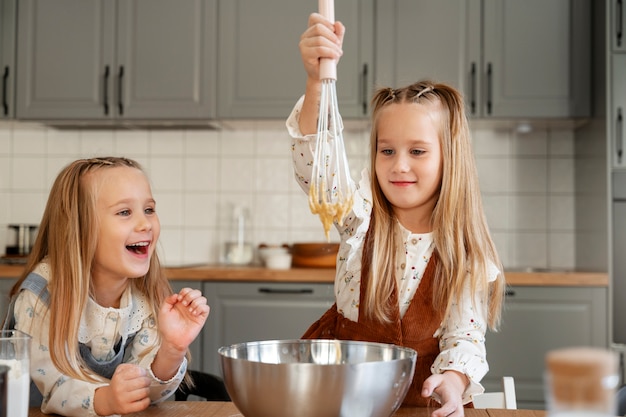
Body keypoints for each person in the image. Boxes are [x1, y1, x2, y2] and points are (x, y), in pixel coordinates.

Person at [286, 13, 505, 417]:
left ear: (449, 160)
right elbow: (317, 168)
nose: (399, 165)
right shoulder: (360, 220)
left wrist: (453, 384)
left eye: (417, 151)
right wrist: (318, 83)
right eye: (387, 151)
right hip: (342, 403)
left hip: (423, 409)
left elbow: (465, 341)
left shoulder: (464, 253)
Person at [3, 156, 209, 417]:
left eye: (149, 209)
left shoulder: (144, 297)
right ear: (78, 228)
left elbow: (144, 394)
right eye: (124, 212)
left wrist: (172, 349)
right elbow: (56, 388)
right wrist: (108, 400)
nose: (145, 224)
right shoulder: (42, 295)